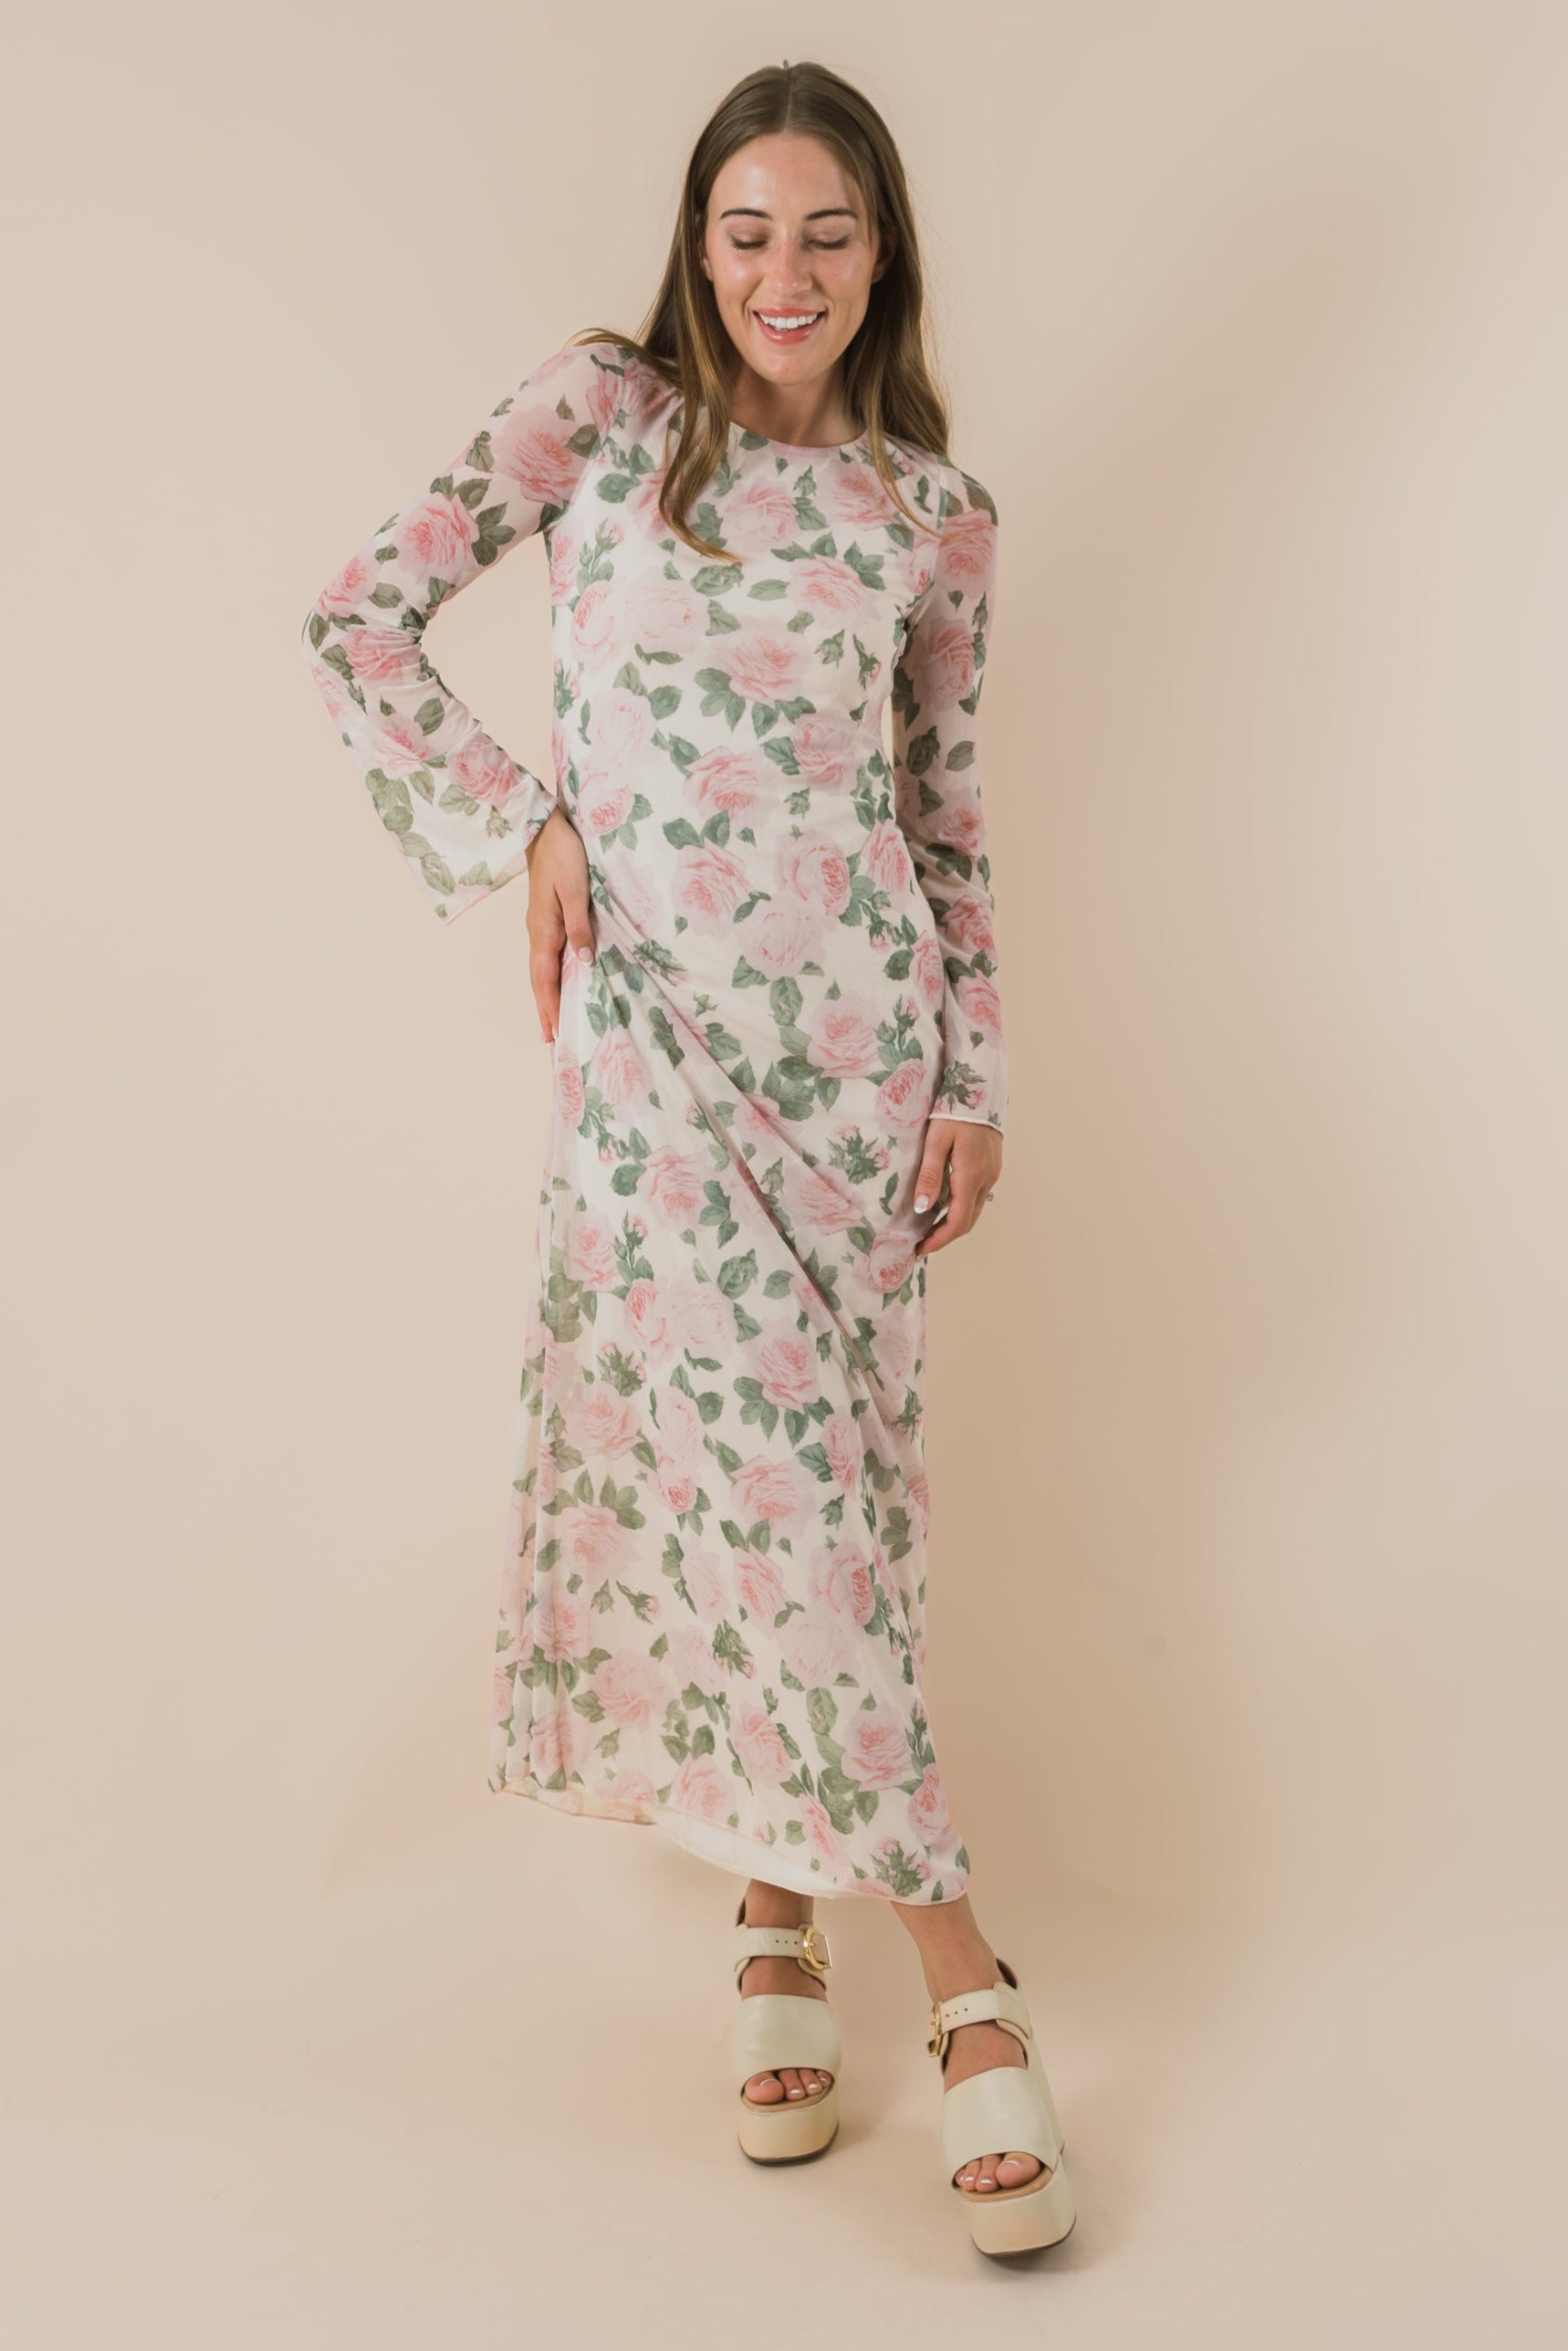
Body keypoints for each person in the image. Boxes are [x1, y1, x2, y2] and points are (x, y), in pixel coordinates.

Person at [300, 57, 1074, 2257]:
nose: (784, 274)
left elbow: (943, 822)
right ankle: (961, 1976)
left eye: (826, 234)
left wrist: (976, 1078)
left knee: (836, 1504)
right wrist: (512, 819)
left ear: (882, 250)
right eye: (748, 232)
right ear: (695, 241)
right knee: (778, 1505)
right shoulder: (605, 419)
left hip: (860, 1080)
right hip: (651, 1070)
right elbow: (358, 616)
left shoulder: (935, 517)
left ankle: (770, 1928)